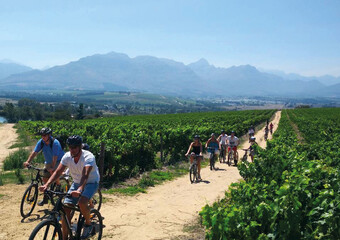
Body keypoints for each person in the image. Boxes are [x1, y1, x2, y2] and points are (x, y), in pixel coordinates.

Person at [39, 135, 100, 239]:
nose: (72, 150)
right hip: (76, 182)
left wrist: (80, 189)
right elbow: (58, 171)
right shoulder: (67, 156)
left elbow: (85, 175)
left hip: (91, 182)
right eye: (70, 147)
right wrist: (47, 184)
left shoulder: (88, 157)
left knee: (82, 201)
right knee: (66, 208)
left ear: (80, 146)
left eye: (75, 147)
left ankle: (88, 224)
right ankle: (64, 237)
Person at [23, 127, 64, 206]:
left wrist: (52, 167)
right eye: (42, 135)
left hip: (59, 160)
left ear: (49, 135)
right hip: (48, 161)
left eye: (45, 135)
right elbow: (35, 152)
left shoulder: (55, 142)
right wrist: (28, 161)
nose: (43, 136)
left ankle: (58, 185)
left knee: (53, 172)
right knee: (45, 177)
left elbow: (55, 156)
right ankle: (45, 198)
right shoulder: (41, 142)